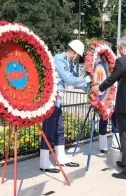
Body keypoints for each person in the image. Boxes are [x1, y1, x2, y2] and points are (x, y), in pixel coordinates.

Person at [91, 36, 126, 180]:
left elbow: (111, 79)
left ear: (121, 47)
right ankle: (125, 161)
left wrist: (99, 87)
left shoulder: (122, 61)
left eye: (119, 49)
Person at [39, 40, 91, 173]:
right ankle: (44, 162)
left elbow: (76, 79)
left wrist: (91, 90)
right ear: (74, 52)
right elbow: (70, 79)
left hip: (58, 100)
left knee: (59, 129)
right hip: (51, 99)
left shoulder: (69, 62)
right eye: (78, 56)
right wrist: (86, 80)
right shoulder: (59, 59)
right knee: (48, 130)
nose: (78, 59)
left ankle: (61, 157)